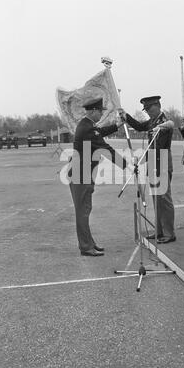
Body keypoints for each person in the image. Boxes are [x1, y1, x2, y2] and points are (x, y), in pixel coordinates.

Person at [69, 96, 127, 257]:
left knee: (85, 209)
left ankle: (89, 243)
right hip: (81, 175)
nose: (101, 114)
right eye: (100, 111)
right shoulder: (87, 128)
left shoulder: (87, 125)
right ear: (93, 110)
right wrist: (126, 165)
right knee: (83, 211)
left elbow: (100, 132)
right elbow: (104, 147)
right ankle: (86, 247)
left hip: (83, 173)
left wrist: (117, 125)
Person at [120, 95, 176, 244]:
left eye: (150, 109)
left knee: (164, 198)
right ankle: (159, 230)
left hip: (162, 160)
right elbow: (139, 127)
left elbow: (169, 127)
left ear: (157, 106)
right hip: (152, 161)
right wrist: (127, 117)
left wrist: (161, 127)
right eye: (146, 110)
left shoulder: (164, 122)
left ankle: (169, 233)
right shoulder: (152, 122)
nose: (148, 112)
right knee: (156, 199)